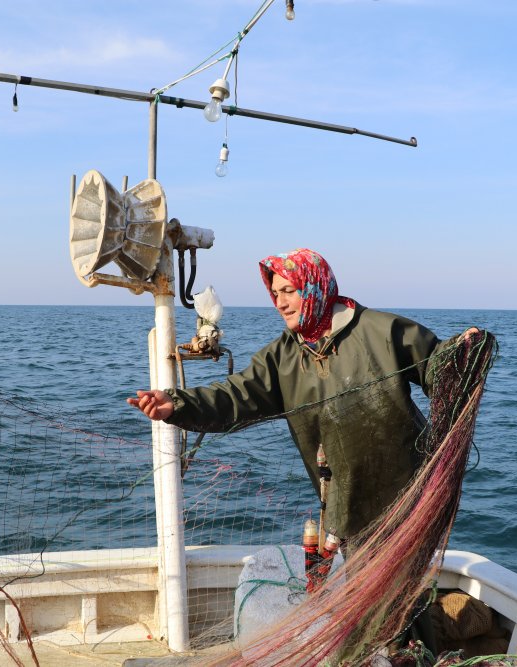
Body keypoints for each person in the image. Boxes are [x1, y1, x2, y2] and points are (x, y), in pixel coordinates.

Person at [128, 247, 478, 652]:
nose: (280, 301)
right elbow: (236, 397)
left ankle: (407, 656)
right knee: (378, 602)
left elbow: (439, 368)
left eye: (289, 289)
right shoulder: (284, 356)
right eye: (275, 292)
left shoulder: (383, 331)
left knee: (398, 604)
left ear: (316, 286)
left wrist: (461, 352)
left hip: (407, 497)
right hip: (346, 504)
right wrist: (178, 404)